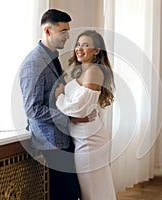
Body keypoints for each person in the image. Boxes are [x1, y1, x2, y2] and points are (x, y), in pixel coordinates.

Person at [19, 9, 95, 200]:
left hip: (63, 138)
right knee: (65, 195)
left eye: (67, 31)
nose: (68, 36)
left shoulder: (52, 56)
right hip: (51, 143)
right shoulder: (33, 63)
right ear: (47, 31)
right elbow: (32, 109)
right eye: (63, 31)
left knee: (72, 193)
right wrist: (71, 117)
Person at [55, 30, 116, 200]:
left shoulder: (94, 72)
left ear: (96, 51)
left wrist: (60, 97)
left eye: (86, 45)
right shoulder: (81, 70)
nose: (79, 48)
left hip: (89, 141)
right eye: (78, 44)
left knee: (91, 191)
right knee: (95, 188)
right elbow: (81, 108)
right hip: (83, 136)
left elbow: (80, 111)